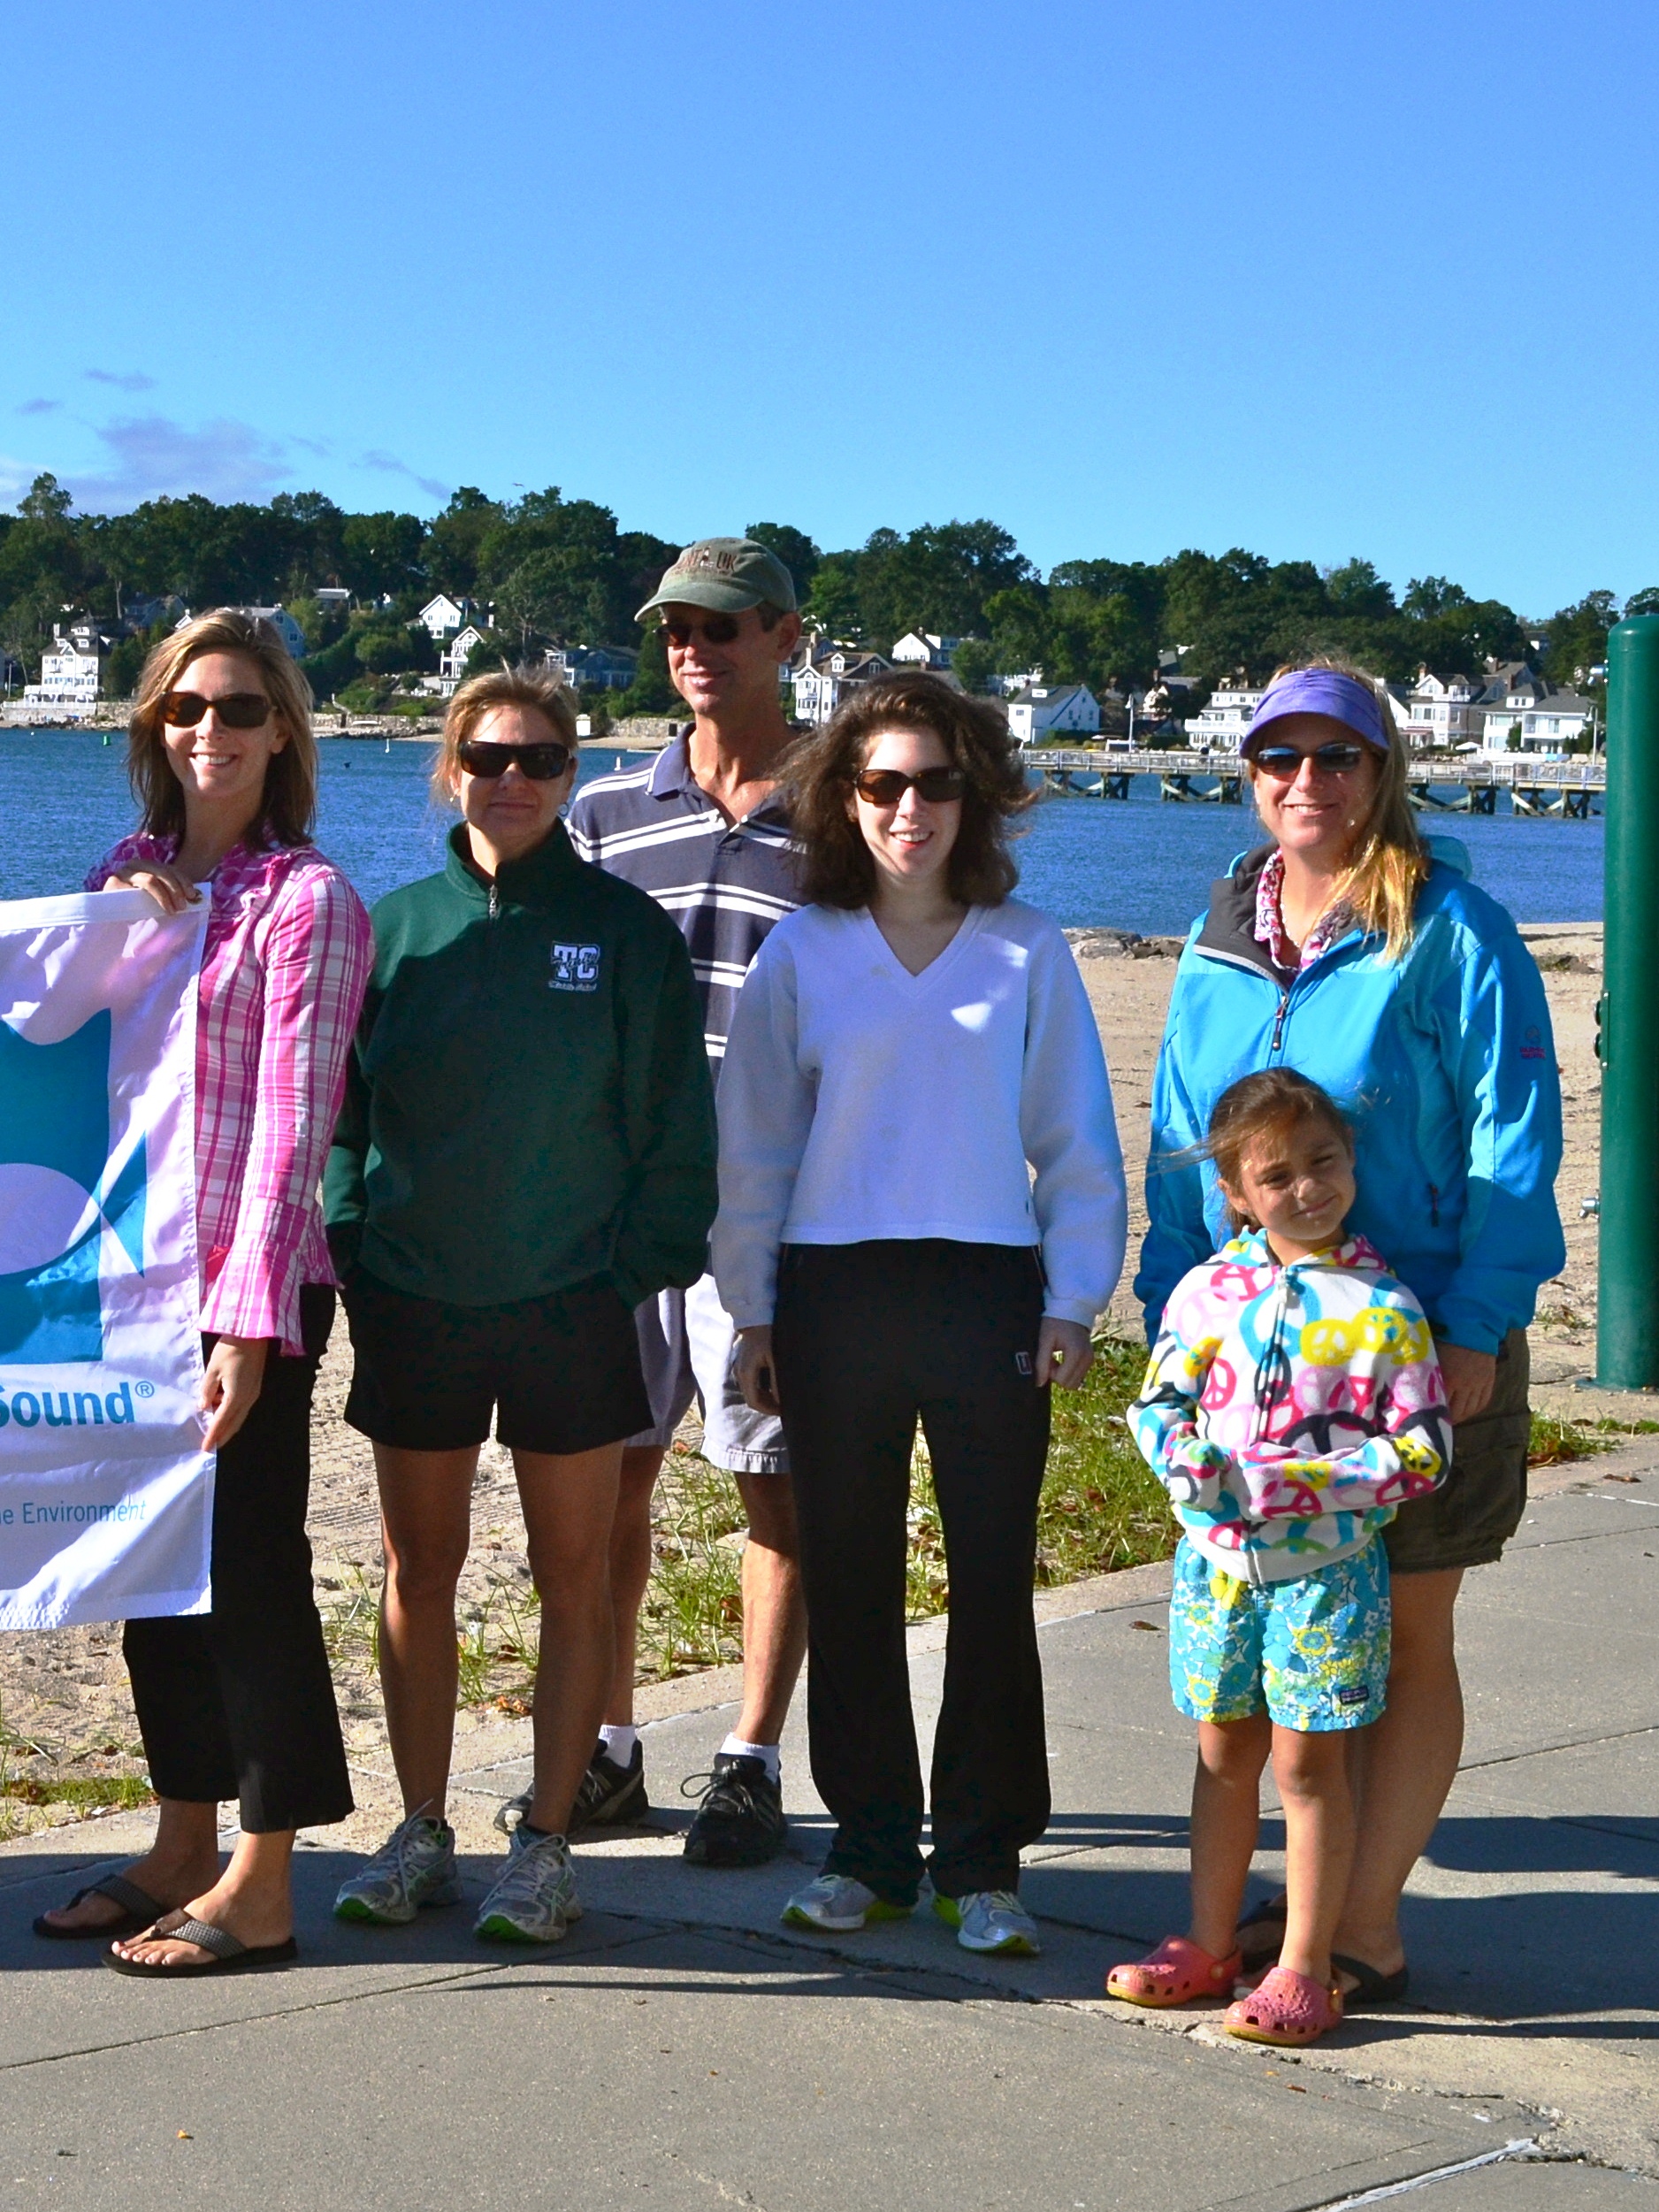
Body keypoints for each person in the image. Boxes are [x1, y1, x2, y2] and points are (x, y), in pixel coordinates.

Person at [1135, 658, 1563, 2007]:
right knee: (1282, 1661)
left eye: (1336, 756)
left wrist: (1479, 1316)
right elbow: (1175, 1146)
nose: (1305, 781)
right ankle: (1302, 1906)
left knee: (1407, 1631)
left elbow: (1513, 1138)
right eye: (1280, 757)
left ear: (1382, 773)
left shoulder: (1451, 930)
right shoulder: (1214, 938)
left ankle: (1361, 1921)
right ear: (1248, 773)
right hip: (1252, 1368)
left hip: (1414, 1344)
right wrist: (1169, 1315)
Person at [710, 670, 1126, 1959]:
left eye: (936, 782)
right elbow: (755, 1147)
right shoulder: (802, 949)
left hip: (985, 1290)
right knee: (846, 1576)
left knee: (993, 1578)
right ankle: (873, 1846)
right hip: (832, 1292)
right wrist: (752, 1309)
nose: (909, 808)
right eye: (881, 782)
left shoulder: (1026, 947)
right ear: (844, 795)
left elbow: (1073, 1140)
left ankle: (985, 1856)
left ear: (974, 795)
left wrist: (1072, 1295)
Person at [326, 669, 713, 1947]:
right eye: (488, 756)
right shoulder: (393, 929)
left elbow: (673, 1126)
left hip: (569, 1306)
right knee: (414, 1569)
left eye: (541, 759)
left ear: (568, 774)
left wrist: (630, 1266)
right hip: (417, 1301)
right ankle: (422, 1823)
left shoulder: (621, 930)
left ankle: (543, 1841)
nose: (512, 778)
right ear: (450, 767)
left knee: (575, 1575)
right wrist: (353, 1242)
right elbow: (339, 1115)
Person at [19, 609, 367, 1978]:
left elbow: (294, 1122)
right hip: (125, 1279)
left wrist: (248, 1315)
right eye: (181, 710)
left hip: (245, 1287)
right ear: (150, 730)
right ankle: (178, 1838)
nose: (207, 733)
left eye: (234, 709)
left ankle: (264, 1875)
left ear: (280, 727)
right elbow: (53, 1051)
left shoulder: (309, 899)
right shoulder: (126, 873)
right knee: (153, 1572)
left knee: (250, 1569)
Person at [561, 537, 814, 1860]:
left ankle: (750, 1755)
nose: (691, 650)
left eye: (720, 628)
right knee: (611, 1484)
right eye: (674, 628)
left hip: (772, 1218)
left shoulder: (847, 810)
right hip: (626, 1210)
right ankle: (608, 1748)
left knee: (770, 1486)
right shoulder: (605, 814)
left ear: (785, 636)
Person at [1112, 1068, 1449, 2048]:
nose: (1306, 1187)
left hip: (1326, 1573)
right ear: (1233, 1193)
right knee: (1223, 1753)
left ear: (1350, 1162)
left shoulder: (1383, 1305)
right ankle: (1208, 1941)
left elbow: (1421, 1449)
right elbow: (1157, 1405)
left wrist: (1296, 1484)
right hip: (1214, 1567)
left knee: (1309, 1764)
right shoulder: (1206, 1290)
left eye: (1323, 1162)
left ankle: (1303, 1962)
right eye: (1276, 1175)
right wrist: (1188, 1470)